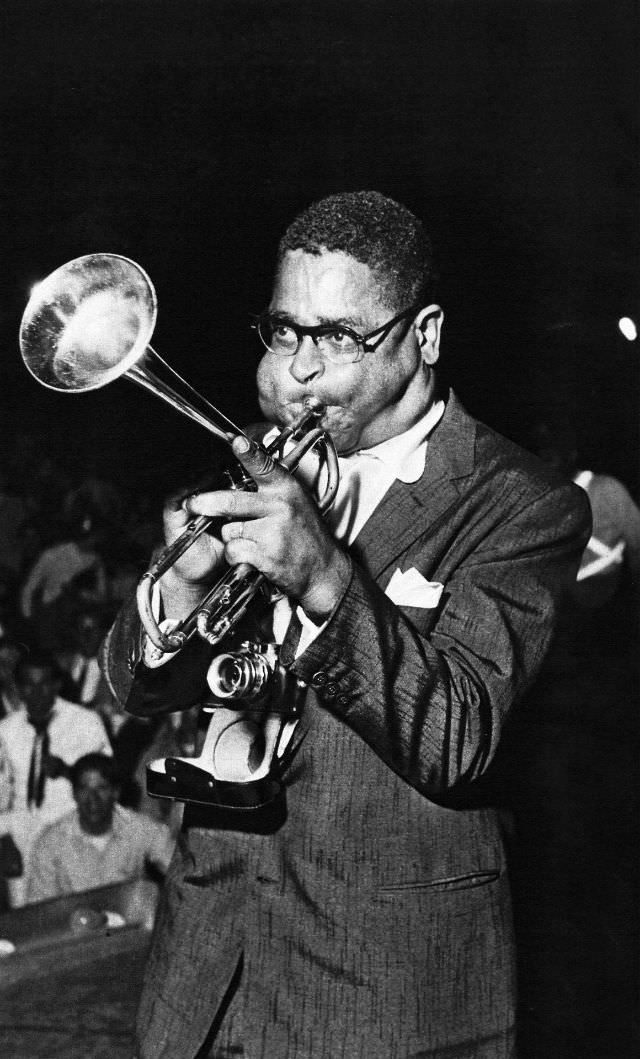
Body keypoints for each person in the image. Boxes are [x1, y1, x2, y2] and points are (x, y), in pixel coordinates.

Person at [103, 191, 591, 1059]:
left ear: (425, 335)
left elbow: (458, 735)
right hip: (203, 984)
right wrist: (177, 587)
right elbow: (136, 688)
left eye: (338, 338)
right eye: (286, 331)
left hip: (387, 998)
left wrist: (325, 577)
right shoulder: (264, 456)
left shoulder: (524, 505)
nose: (296, 371)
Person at [0, 647, 111, 905]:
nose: (37, 693)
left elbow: (108, 778)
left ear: (57, 684)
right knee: (26, 912)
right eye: (28, 685)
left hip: (72, 827)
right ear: (17, 687)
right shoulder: (6, 730)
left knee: (76, 905)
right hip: (22, 834)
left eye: (44, 684)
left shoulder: (85, 722)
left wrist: (68, 771)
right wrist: (4, 839)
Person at [26, 752, 175, 903]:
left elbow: (182, 873)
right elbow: (40, 909)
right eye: (85, 789)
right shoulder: (51, 842)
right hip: (71, 922)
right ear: (74, 793)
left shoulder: (140, 828)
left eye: (101, 788)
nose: (93, 799)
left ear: (116, 792)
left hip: (128, 920)